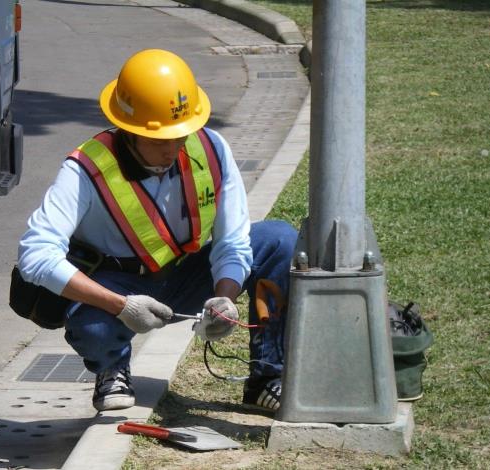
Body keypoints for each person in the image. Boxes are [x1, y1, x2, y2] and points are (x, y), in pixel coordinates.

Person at [17, 49, 297, 413]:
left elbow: (232, 241)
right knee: (95, 330)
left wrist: (224, 295)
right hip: (116, 284)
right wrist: (121, 305)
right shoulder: (85, 169)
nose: (172, 149)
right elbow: (35, 255)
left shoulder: (210, 148)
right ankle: (112, 367)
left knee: (279, 240)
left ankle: (266, 377)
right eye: (159, 140)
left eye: (179, 136)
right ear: (128, 131)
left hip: (183, 273)